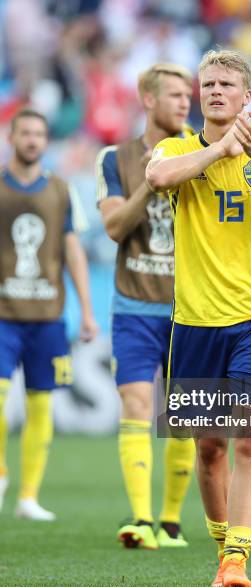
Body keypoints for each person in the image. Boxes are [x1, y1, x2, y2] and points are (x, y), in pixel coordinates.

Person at [146, 49, 251, 587]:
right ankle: (223, 550)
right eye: (207, 84)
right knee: (210, 447)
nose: (214, 91)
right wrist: (222, 148)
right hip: (195, 323)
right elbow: (158, 177)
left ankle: (237, 558)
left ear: (247, 97)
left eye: (225, 85)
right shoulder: (176, 148)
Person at [96, 63, 196, 550]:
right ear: (148, 99)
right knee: (136, 404)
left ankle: (172, 522)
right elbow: (114, 228)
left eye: (188, 95)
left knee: (183, 416)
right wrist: (151, 181)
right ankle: (140, 519)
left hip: (191, 309)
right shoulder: (115, 158)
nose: (185, 103)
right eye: (175, 94)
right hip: (134, 305)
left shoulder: (200, 153)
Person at [0, 108, 98, 521]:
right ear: (12, 137)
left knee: (41, 404)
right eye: (26, 132)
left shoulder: (60, 188)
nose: (33, 139)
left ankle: (28, 497)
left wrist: (87, 312)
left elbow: (73, 250)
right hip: (3, 313)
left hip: (49, 315)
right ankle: (2, 474)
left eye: (40, 133)